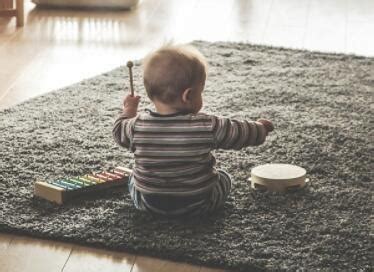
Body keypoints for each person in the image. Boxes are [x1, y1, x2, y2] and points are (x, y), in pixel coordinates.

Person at [113, 44, 274, 217]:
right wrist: (260, 128)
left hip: (148, 203)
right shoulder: (207, 126)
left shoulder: (136, 126)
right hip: (199, 204)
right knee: (224, 177)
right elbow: (239, 132)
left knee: (132, 178)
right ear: (188, 96)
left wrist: (129, 110)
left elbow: (118, 131)